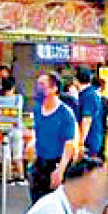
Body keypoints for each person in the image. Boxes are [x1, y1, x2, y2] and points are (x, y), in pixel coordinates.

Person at [28, 73, 79, 203]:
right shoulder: (37, 110)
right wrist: (31, 143)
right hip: (40, 163)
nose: (38, 88)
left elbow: (69, 144)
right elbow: (37, 131)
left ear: (54, 88)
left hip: (56, 162)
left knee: (54, 202)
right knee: (37, 201)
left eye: (42, 85)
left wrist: (60, 170)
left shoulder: (65, 113)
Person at [75, 67, 106, 159]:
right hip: (92, 140)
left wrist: (80, 143)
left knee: (86, 170)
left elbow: (87, 120)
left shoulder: (88, 96)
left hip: (88, 142)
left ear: (76, 80)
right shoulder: (90, 94)